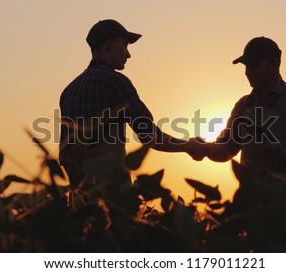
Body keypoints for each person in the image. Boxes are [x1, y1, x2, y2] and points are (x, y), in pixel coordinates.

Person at [59, 19, 204, 196]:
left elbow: (65, 155)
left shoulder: (68, 91)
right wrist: (189, 146)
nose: (128, 54)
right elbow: (150, 135)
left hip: (81, 201)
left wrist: (81, 192)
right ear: (110, 44)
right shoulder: (114, 81)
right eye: (125, 45)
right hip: (113, 196)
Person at [190, 37, 286, 173]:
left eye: (253, 66)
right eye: (246, 66)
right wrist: (204, 148)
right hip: (250, 193)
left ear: (274, 65)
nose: (247, 72)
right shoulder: (242, 105)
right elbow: (227, 149)